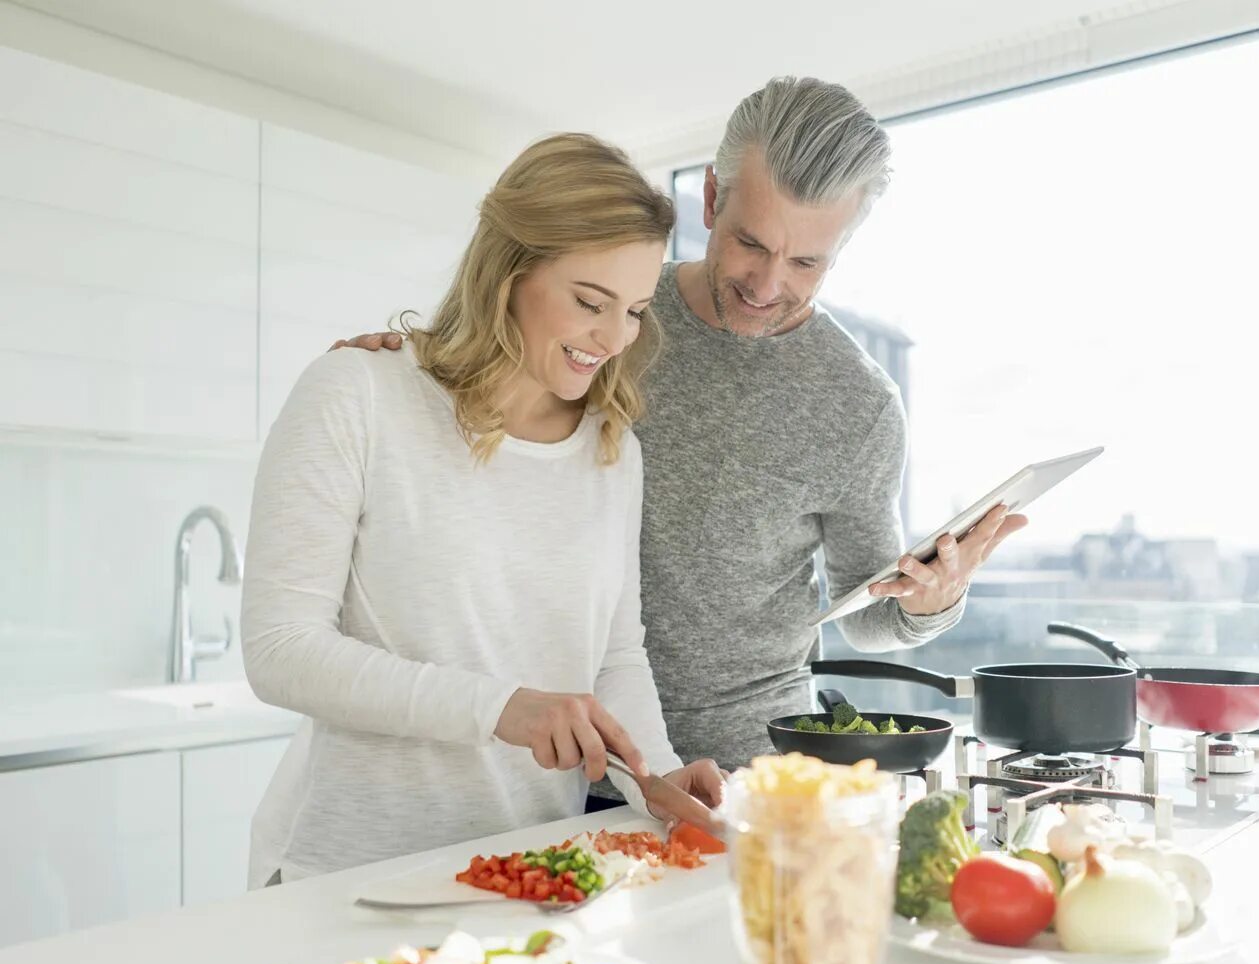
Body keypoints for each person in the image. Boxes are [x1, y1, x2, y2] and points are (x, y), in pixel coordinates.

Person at [336, 77, 1026, 775]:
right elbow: (492, 380)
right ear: (711, 197)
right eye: (749, 243)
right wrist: (409, 372)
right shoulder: (616, 311)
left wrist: (932, 602)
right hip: (547, 749)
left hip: (739, 769)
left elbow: (866, 612)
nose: (765, 285)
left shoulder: (858, 402)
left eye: (807, 262)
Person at [242, 133, 723, 887]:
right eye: (589, 302)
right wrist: (504, 708)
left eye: (634, 309)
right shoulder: (359, 395)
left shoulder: (610, 449)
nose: (614, 337)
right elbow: (280, 651)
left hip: (530, 871)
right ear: (508, 270)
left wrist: (655, 780)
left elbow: (613, 655)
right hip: (348, 873)